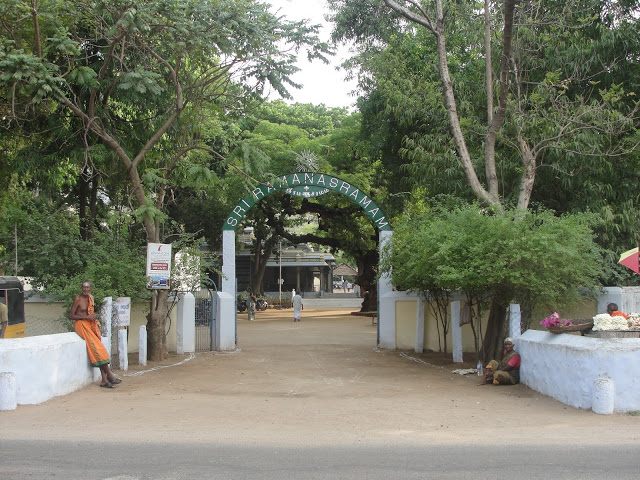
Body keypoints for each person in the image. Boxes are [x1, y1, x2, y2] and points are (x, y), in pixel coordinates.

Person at [69, 280, 121, 389]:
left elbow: (90, 313)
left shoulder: (90, 298)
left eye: (87, 287)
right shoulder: (78, 299)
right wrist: (86, 317)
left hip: (90, 324)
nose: (85, 289)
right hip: (81, 325)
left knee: (98, 350)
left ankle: (105, 379)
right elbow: (71, 315)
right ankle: (109, 376)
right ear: (81, 288)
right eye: (84, 287)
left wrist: (92, 317)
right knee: (97, 349)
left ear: (91, 288)